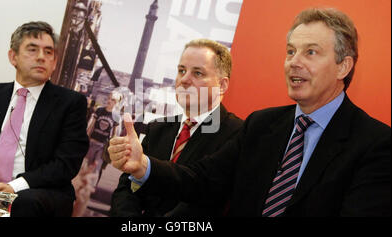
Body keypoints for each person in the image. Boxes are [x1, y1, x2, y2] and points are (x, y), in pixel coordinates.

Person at [108, 8, 391, 216]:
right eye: (291, 51)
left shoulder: (375, 144)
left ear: (344, 66)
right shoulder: (262, 124)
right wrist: (143, 166)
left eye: (311, 52)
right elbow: (204, 181)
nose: (294, 62)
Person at [0, 21, 89, 217]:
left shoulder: (70, 103)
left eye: (48, 52)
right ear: (13, 57)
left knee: (25, 204)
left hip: (31, 189)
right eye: (32, 49)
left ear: (54, 62)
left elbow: (65, 164)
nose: (41, 57)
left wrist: (14, 187)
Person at [110, 39, 244, 217]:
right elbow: (127, 189)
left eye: (197, 73)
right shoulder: (157, 129)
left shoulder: (237, 133)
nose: (184, 80)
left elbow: (206, 195)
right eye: (181, 70)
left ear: (222, 85)